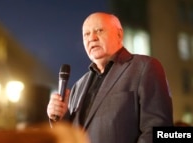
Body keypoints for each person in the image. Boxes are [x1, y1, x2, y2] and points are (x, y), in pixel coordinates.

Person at [47, 12, 173, 143]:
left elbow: (158, 130)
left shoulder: (144, 67)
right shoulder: (78, 86)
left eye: (99, 30)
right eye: (86, 34)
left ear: (119, 34)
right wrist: (61, 117)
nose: (92, 38)